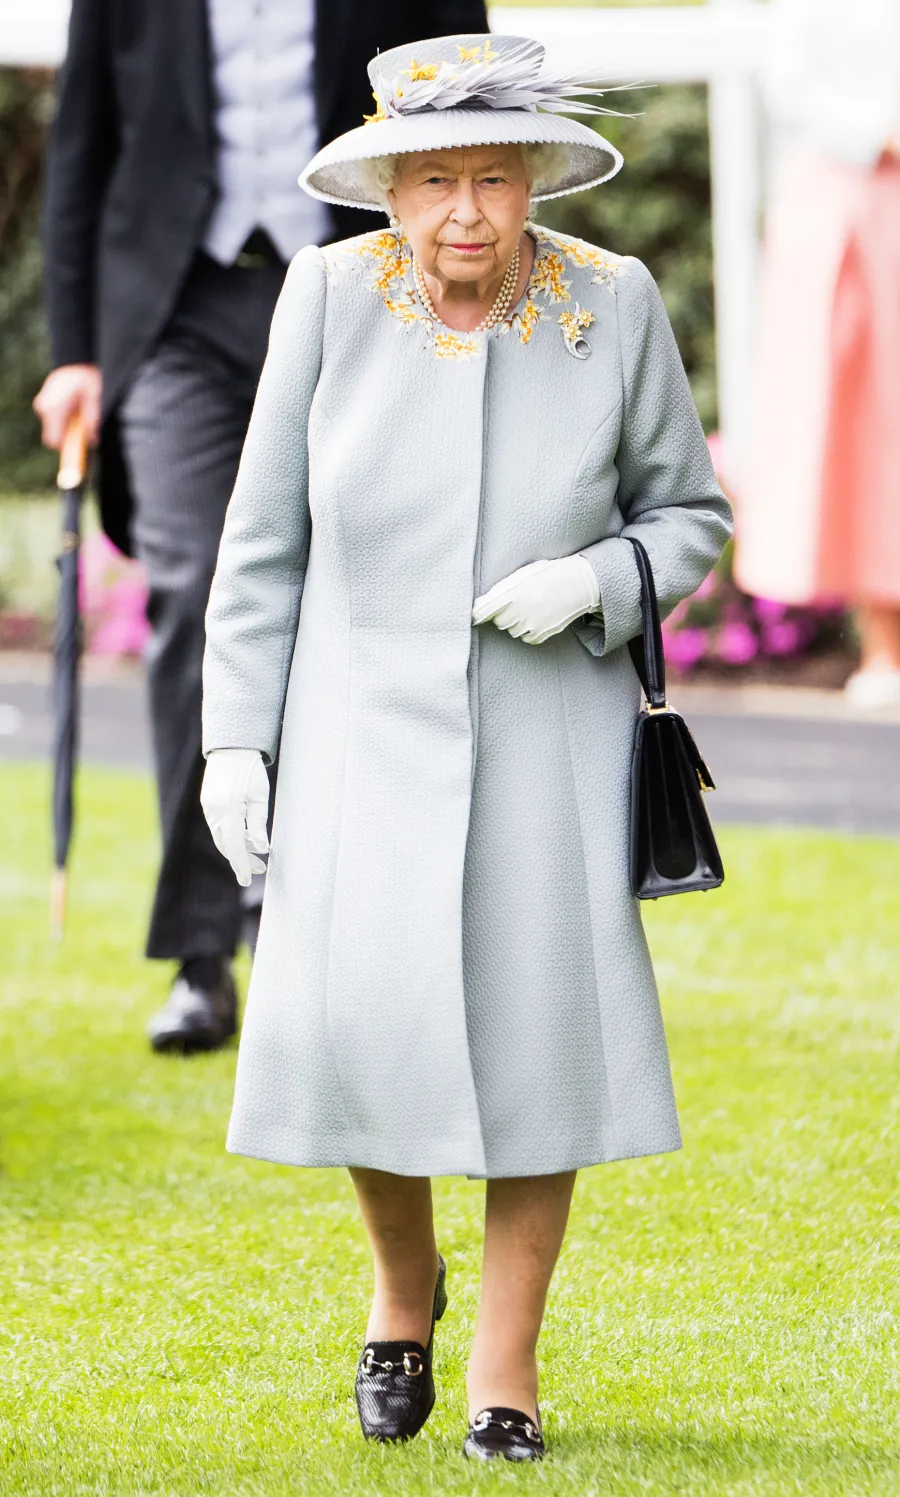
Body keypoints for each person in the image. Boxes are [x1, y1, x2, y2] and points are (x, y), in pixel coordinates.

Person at [200, 33, 732, 1462]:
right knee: (361, 1024)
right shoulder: (325, 297)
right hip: (358, 725)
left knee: (539, 1042)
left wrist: (601, 581)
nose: (466, 215)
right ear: (388, 190)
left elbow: (689, 516)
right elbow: (261, 546)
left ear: (537, 180)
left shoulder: (613, 302)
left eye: (495, 179)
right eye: (434, 181)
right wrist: (235, 742)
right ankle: (397, 1292)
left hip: (544, 730)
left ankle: (507, 1363)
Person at [32, 0, 488, 1055]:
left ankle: (364, 940)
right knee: (196, 597)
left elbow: (475, 123)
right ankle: (205, 952)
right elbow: (82, 145)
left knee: (373, 604)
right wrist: (74, 351)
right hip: (174, 312)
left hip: (367, 296)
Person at [737, 0, 900, 708]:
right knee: (866, 418)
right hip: (850, 192)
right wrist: (882, 133)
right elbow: (788, 73)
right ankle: (883, 646)